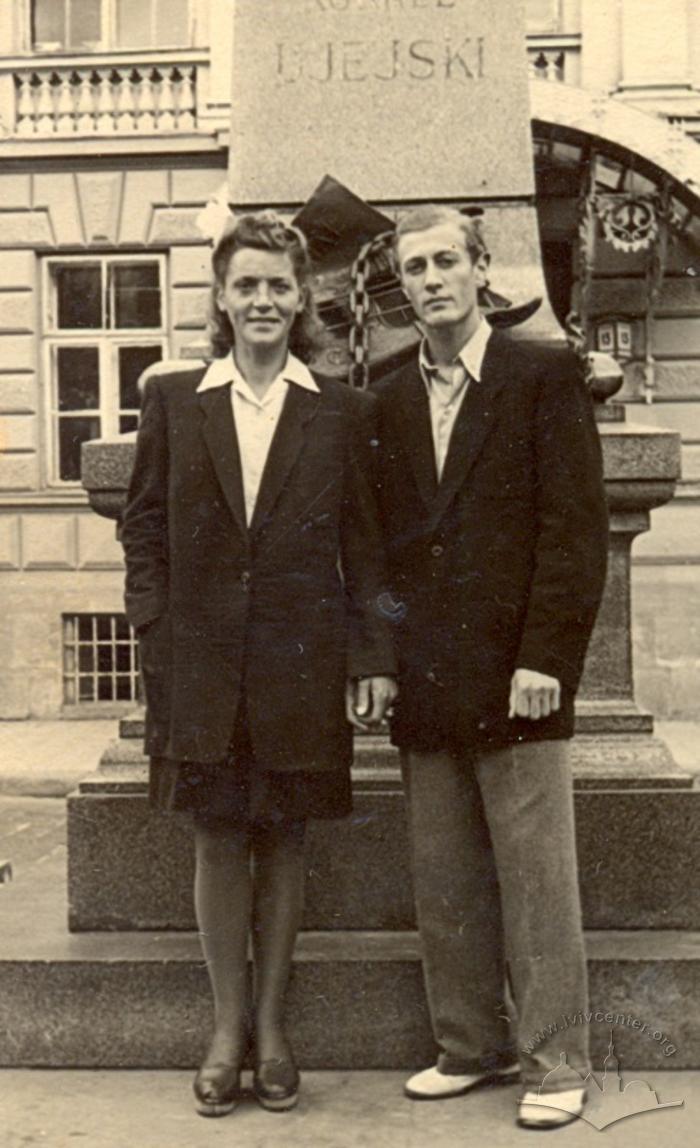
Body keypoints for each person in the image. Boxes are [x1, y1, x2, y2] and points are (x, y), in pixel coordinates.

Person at [121, 211, 396, 1118]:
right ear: (221, 297)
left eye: (279, 284)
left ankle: (275, 1031)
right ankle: (224, 1030)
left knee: (284, 837)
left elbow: (369, 548)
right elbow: (144, 529)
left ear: (306, 295)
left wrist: (369, 656)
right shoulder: (171, 397)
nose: (264, 301)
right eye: (247, 285)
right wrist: (155, 630)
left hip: (301, 662)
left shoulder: (342, 409)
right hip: (198, 661)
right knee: (215, 834)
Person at [374, 205, 608, 1130]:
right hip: (428, 683)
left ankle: (558, 1062)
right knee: (446, 878)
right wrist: (387, 648)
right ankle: (469, 1046)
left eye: (445, 262)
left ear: (481, 271)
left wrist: (546, 657)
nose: (429, 280)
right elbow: (381, 559)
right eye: (413, 269)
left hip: (521, 677)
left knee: (537, 881)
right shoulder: (388, 393)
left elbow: (573, 534)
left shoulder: (542, 376)